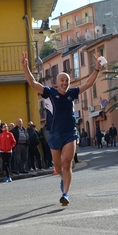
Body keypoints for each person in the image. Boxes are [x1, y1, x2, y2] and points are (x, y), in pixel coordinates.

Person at [22, 50, 104, 206]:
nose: (65, 83)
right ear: (56, 82)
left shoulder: (72, 93)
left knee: (67, 163)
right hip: (53, 134)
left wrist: (97, 68)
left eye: (66, 80)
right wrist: (25, 68)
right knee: (59, 167)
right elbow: (33, 83)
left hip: (69, 133)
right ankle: (62, 179)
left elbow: (88, 83)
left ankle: (65, 194)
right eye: (62, 80)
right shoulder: (49, 93)